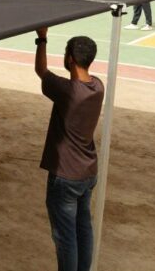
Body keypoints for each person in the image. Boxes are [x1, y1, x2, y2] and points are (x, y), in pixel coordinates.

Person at [33, 27, 104, 271]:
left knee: (65, 238)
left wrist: (42, 38)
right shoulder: (98, 86)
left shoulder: (67, 90)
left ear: (70, 59)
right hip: (88, 172)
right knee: (83, 229)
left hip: (65, 175)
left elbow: (41, 71)